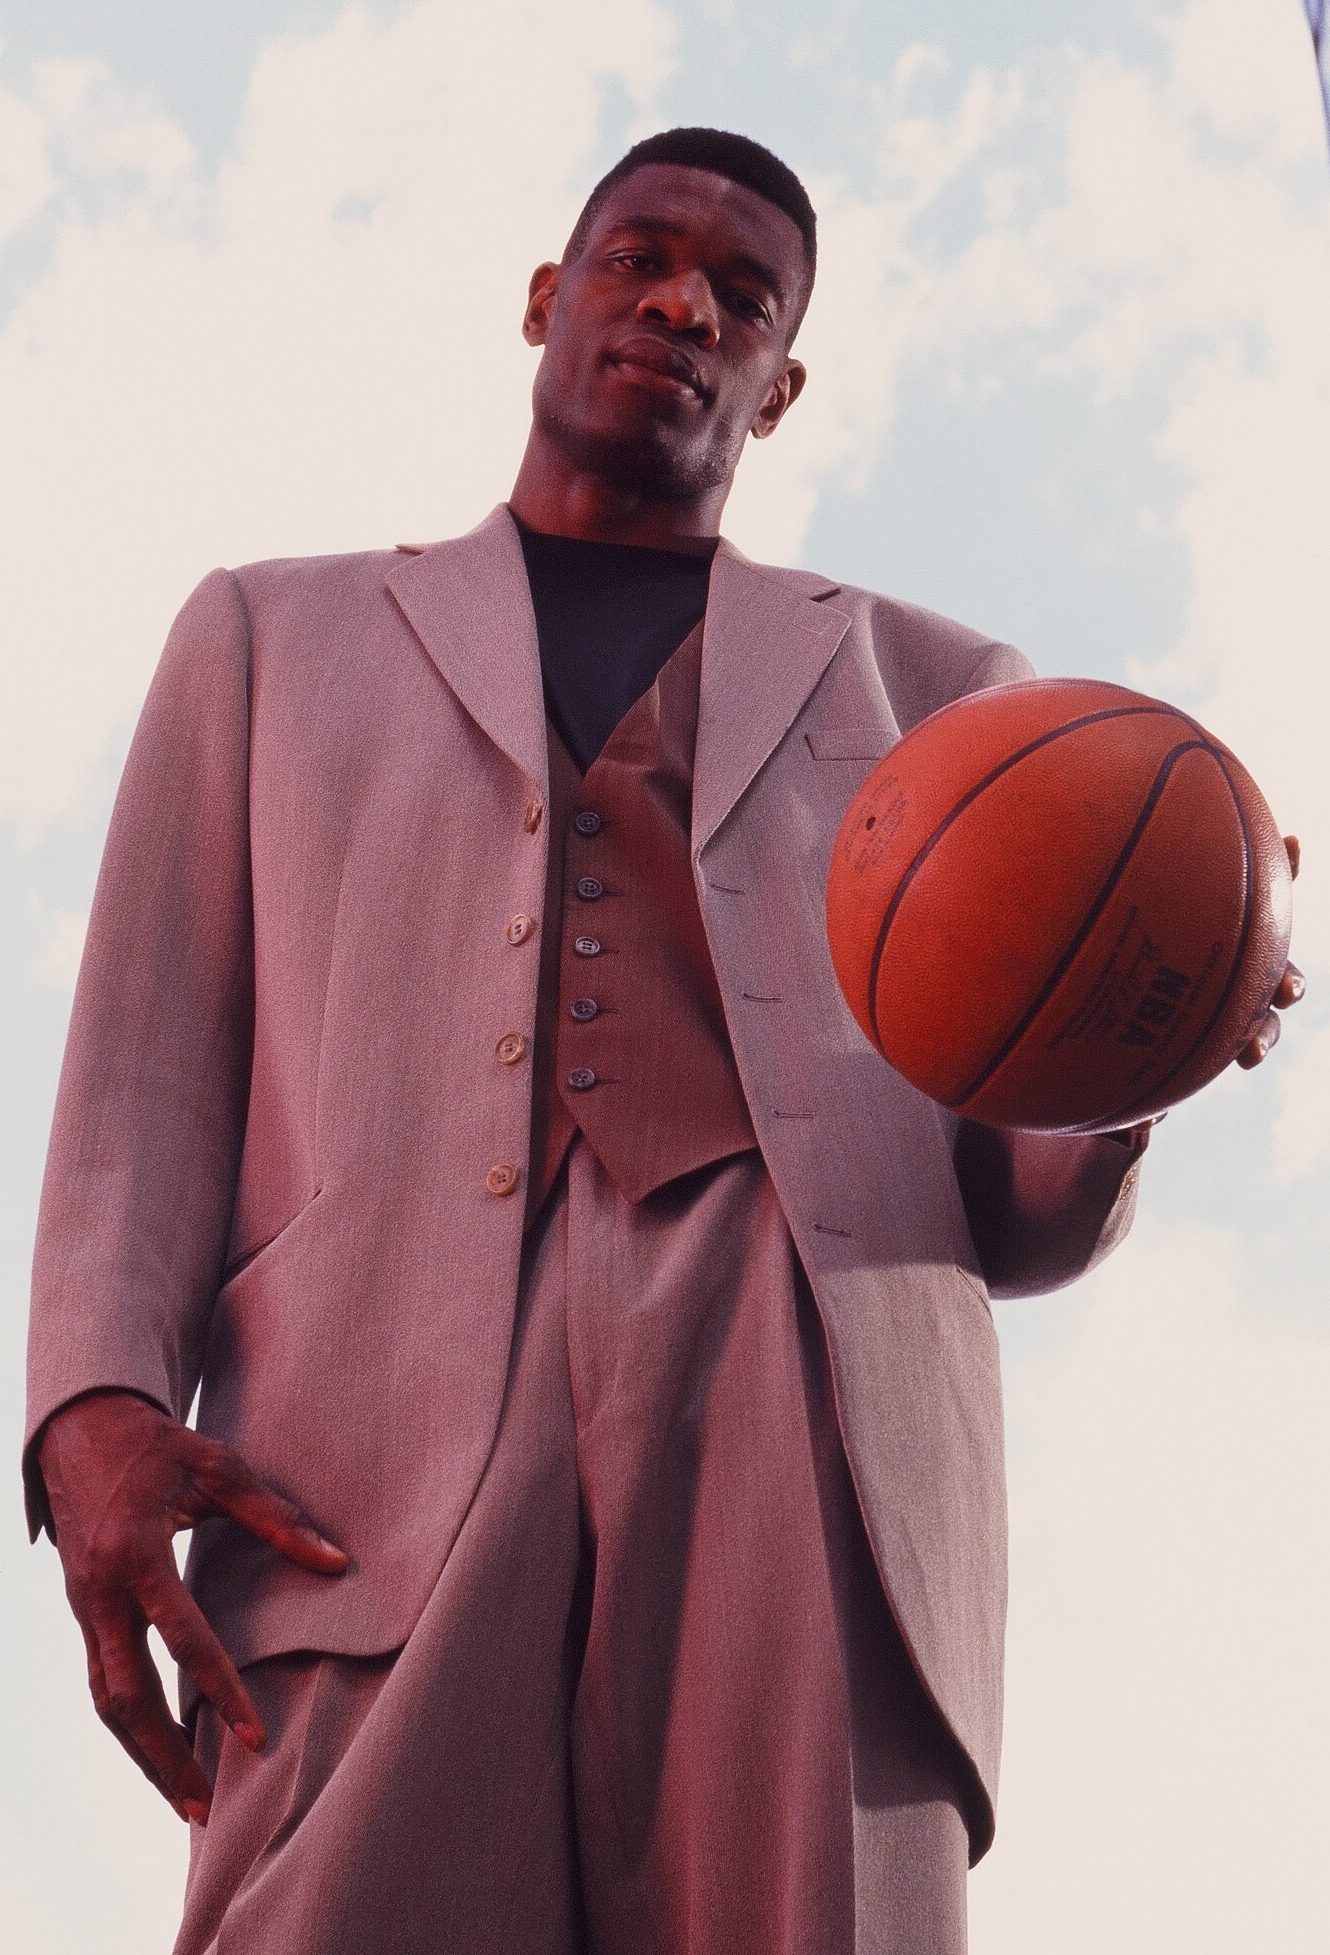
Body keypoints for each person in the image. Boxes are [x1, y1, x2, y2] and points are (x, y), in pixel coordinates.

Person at [24, 125, 1303, 1955]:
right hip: (357, 1425)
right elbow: (146, 1069)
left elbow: (1011, 1203)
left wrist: (1141, 1049)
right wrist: (94, 1400)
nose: (684, 302)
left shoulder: (950, 696)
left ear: (779, 386)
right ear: (551, 297)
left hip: (805, 1377)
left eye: (746, 296)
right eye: (639, 258)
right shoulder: (265, 634)